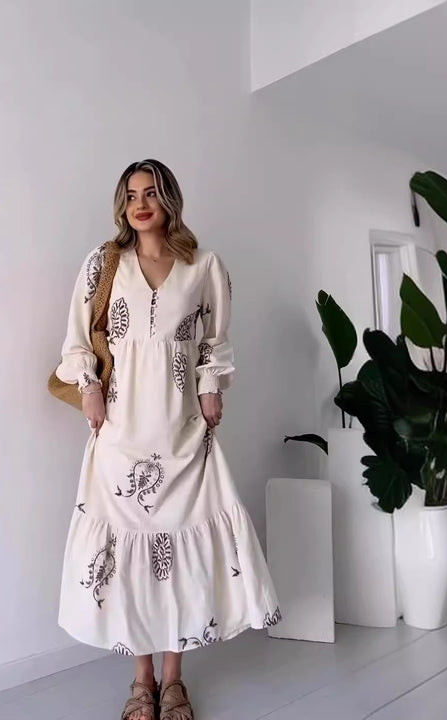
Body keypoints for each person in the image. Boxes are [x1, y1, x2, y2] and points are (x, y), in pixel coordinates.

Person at [54, 159, 280, 720]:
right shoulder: (103, 263)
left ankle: (174, 680)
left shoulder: (204, 265)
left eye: (151, 192)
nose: (140, 203)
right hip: (121, 430)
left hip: (181, 430)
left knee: (177, 552)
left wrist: (211, 388)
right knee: (131, 552)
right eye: (131, 194)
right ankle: (142, 679)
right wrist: (89, 388)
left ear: (169, 199)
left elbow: (214, 342)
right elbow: (78, 337)